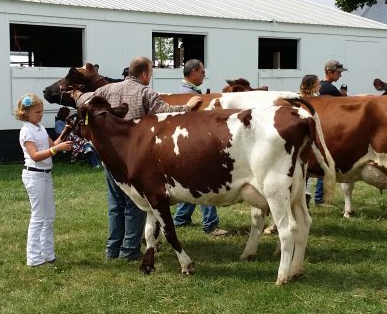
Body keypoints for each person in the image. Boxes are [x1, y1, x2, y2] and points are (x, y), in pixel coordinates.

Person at [82, 56, 201, 261]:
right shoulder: (145, 92)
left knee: (115, 204)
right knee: (135, 205)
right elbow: (166, 112)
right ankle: (129, 250)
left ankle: (112, 249)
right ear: (144, 74)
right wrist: (188, 107)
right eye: (151, 72)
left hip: (110, 158)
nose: (151, 76)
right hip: (134, 158)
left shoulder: (106, 90)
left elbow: (85, 101)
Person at [172, 59, 228, 237]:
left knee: (192, 182)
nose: (204, 75)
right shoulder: (189, 95)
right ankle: (210, 224)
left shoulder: (186, 92)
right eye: (202, 72)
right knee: (204, 181)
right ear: (194, 71)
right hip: (193, 145)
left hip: (185, 146)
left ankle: (181, 218)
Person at [16, 92, 70, 267]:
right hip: (34, 175)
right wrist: (57, 149)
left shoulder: (39, 128)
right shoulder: (26, 131)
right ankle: (33, 258)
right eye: (37, 112)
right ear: (26, 113)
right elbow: (35, 156)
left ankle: (48, 254)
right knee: (38, 217)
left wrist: (66, 132)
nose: (41, 115)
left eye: (41, 111)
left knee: (49, 216)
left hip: (45, 175)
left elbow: (53, 144)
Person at [299, 74, 325, 204]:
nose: (320, 85)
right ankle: (308, 197)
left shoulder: (298, 98)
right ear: (313, 85)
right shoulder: (317, 101)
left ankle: (305, 196)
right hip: (311, 134)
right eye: (318, 83)